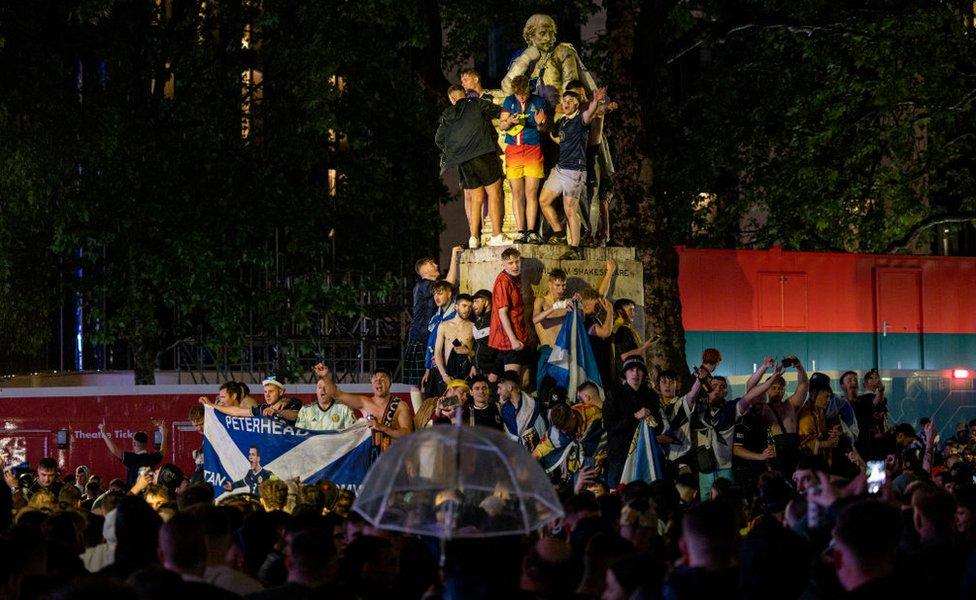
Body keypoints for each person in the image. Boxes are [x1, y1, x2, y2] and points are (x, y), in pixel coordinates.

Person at [435, 84, 507, 248]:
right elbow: (500, 111)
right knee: (494, 192)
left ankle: (474, 238)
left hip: (463, 162)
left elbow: (439, 139)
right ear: (464, 95)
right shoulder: (476, 103)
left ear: (452, 99)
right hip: (483, 154)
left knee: (476, 198)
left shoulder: (447, 115)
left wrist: (455, 149)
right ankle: (496, 234)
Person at [538, 87, 609, 254]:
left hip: (575, 170)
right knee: (543, 200)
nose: (566, 103)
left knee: (570, 209)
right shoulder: (562, 121)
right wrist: (541, 125)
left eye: (570, 101)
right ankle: (559, 232)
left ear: (577, 104)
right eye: (565, 101)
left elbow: (590, 112)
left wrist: (596, 100)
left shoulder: (581, 119)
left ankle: (574, 248)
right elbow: (557, 138)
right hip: (560, 168)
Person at [316, 364, 414, 460]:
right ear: (371, 383)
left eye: (383, 379)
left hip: (393, 458)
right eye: (375, 380)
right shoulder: (364, 402)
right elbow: (337, 394)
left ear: (390, 382)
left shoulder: (400, 405)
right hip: (368, 458)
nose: (378, 382)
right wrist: (325, 376)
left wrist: (383, 428)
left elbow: (407, 433)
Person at [499, 74, 548, 243]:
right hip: (513, 150)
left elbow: (543, 128)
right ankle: (521, 231)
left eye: (524, 93)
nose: (521, 96)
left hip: (533, 148)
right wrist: (510, 121)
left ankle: (532, 231)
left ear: (529, 90)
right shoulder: (509, 101)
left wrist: (540, 123)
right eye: (518, 93)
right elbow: (502, 125)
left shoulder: (539, 101)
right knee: (517, 192)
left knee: (531, 192)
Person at [566, 80, 614, 245]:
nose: (578, 98)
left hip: (592, 154)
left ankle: (593, 234)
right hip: (576, 158)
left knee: (594, 196)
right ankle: (586, 231)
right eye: (573, 96)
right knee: (577, 197)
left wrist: (604, 104)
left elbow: (601, 109)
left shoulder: (589, 108)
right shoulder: (570, 113)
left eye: (580, 94)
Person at [405, 249, 461, 387]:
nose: (436, 265)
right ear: (424, 270)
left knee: (429, 380)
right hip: (421, 336)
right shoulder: (424, 285)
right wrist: (453, 255)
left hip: (428, 335)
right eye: (432, 264)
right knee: (418, 381)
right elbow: (449, 284)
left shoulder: (424, 286)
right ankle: (420, 409)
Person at [603, 358, 660, 489]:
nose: (635, 373)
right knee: (616, 496)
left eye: (639, 369)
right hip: (619, 456)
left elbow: (659, 425)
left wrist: (652, 421)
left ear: (644, 374)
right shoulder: (614, 395)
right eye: (631, 369)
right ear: (625, 374)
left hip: (644, 455)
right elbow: (609, 426)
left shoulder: (651, 395)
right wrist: (634, 416)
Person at [489, 247, 531, 378]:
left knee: (524, 380)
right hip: (509, 338)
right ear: (503, 264)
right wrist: (513, 340)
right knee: (512, 382)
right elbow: (502, 313)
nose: (515, 266)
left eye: (517, 262)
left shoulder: (515, 278)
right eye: (510, 263)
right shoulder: (503, 282)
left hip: (520, 333)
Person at [199, 376, 303, 424]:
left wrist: (277, 412)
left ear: (281, 392)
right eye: (265, 392)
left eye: (271, 391)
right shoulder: (262, 408)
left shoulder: (293, 403)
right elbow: (236, 411)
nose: (267, 395)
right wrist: (211, 404)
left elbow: (295, 415)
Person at [532, 268, 570, 393]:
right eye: (557, 285)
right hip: (547, 350)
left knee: (561, 390)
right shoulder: (541, 301)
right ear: (550, 284)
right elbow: (536, 319)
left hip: (562, 351)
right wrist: (555, 307)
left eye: (563, 285)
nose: (561, 289)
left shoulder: (566, 304)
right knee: (543, 389)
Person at [98, 420, 167, 488]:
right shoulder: (152, 458)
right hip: (147, 495)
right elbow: (162, 451)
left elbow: (114, 450)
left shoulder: (132, 458)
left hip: (133, 495)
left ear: (134, 443)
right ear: (146, 444)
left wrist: (103, 434)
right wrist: (164, 434)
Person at [422, 279, 460, 398]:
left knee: (449, 403)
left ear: (449, 294)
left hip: (449, 366)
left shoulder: (456, 314)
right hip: (434, 366)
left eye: (440, 293)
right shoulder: (436, 317)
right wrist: (428, 368)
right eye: (434, 294)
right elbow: (430, 344)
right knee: (431, 402)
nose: (436, 297)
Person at [433, 293, 475, 389]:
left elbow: (477, 353)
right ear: (456, 307)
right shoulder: (444, 325)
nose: (467, 309)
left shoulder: (473, 326)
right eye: (464, 306)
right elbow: (437, 352)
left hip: (467, 374)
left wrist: (469, 353)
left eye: (470, 307)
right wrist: (444, 374)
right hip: (448, 373)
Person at [497, 370, 546, 450]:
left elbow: (543, 432)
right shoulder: (504, 410)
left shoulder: (536, 405)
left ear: (509, 388)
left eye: (500, 388)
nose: (498, 392)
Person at [612, 298, 652, 373]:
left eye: (633, 310)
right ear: (620, 312)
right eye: (630, 310)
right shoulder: (622, 329)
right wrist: (645, 347)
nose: (633, 313)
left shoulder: (624, 328)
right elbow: (624, 356)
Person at [470, 289, 497, 379]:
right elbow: (477, 347)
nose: (473, 305)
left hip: (492, 374)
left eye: (476, 301)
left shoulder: (496, 322)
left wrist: (495, 371)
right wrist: (474, 365)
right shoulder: (477, 324)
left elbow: (501, 350)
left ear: (486, 302)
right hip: (478, 373)